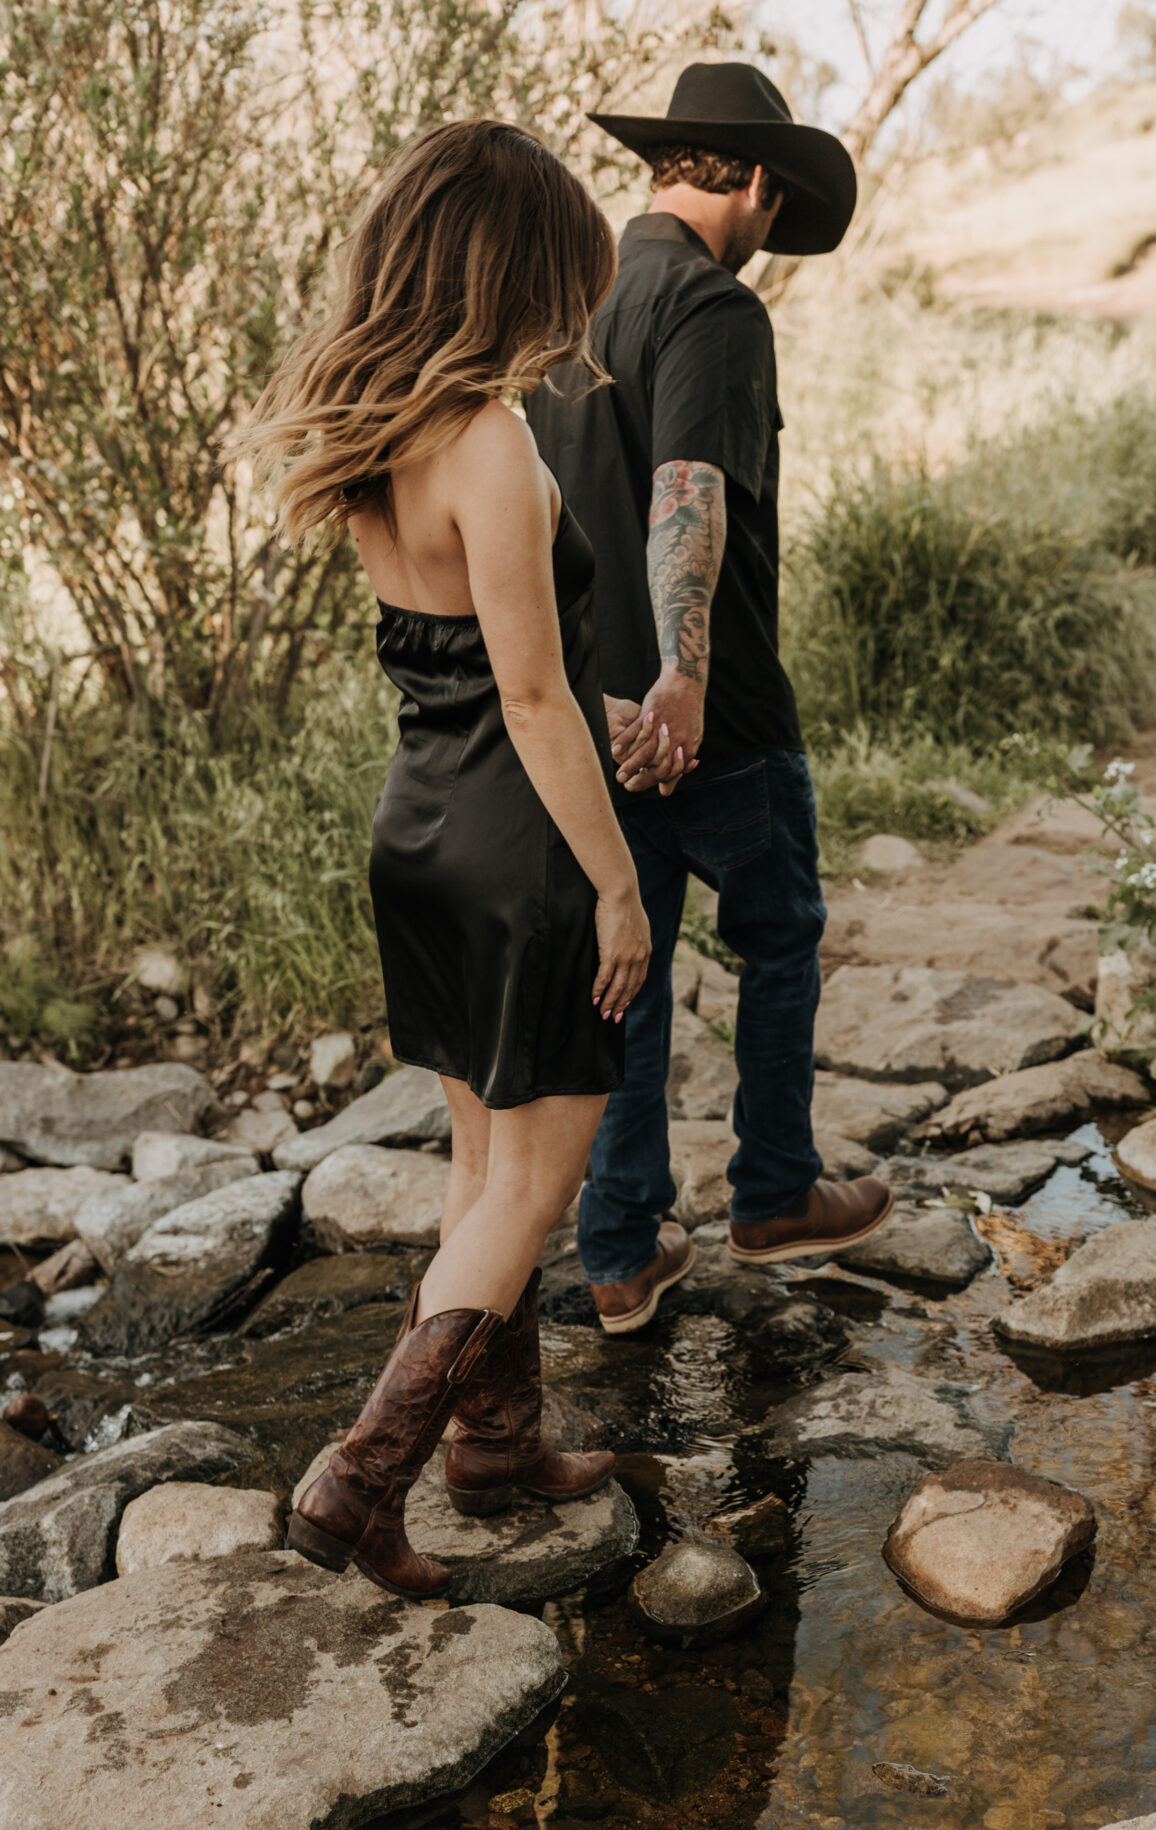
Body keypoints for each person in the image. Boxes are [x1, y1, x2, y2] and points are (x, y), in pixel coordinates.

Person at [248, 121, 672, 1596]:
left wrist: (590, 706)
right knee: (528, 1188)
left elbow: (465, 665)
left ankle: (492, 1442)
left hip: (420, 828)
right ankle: (362, 1478)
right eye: (562, 281)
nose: (571, 318)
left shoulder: (378, 436)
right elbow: (534, 696)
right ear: (510, 271)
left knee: (481, 1169)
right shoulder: (487, 440)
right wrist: (619, 884)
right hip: (520, 851)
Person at [529, 61, 892, 1337]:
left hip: (593, 718)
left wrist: (603, 689)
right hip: (711, 716)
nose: (773, 229)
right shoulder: (714, 307)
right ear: (741, 175)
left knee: (624, 972)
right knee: (781, 936)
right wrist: (686, 675)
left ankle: (623, 1251)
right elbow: (689, 487)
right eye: (774, 200)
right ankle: (775, 1194)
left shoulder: (566, 307)